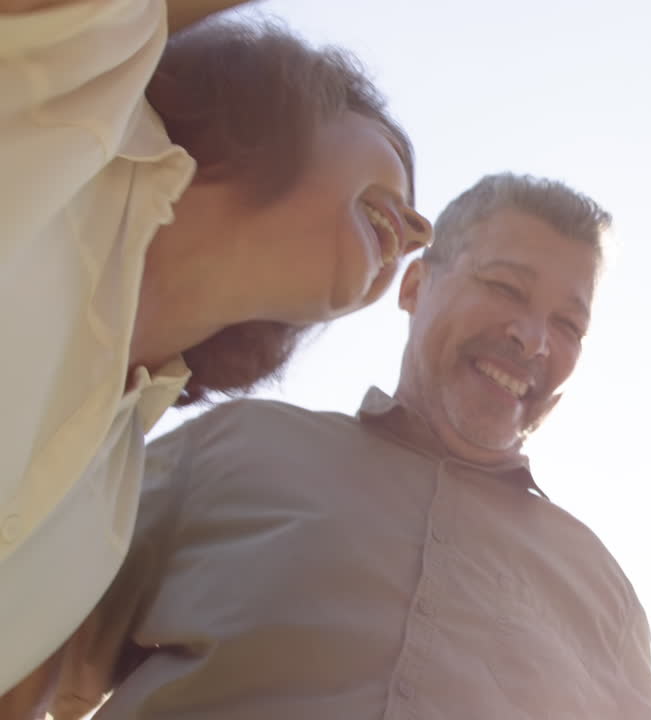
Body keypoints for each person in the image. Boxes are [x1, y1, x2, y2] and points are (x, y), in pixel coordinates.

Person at [44, 173, 651, 720]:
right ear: (415, 286)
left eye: (568, 325)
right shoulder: (235, 446)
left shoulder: (603, 590)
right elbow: (29, 654)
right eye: (506, 287)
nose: (534, 340)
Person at [0, 0, 428, 708]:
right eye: (396, 171)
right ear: (293, 92)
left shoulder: (108, 505)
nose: (416, 231)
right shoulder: (66, 81)